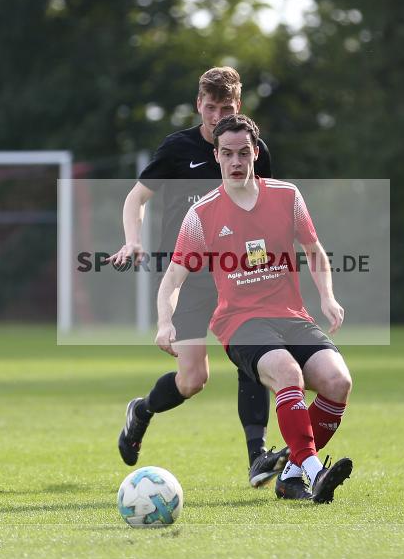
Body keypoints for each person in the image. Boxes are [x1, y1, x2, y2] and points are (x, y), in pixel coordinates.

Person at [156, 114, 353, 503]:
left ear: (255, 153)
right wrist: (165, 321)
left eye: (243, 152)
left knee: (338, 382)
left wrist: (327, 296)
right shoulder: (201, 216)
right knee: (287, 372)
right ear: (216, 156)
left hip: (292, 317)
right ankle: (315, 472)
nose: (236, 161)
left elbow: (314, 252)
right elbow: (173, 277)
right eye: (227, 153)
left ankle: (291, 475)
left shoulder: (288, 196)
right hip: (240, 323)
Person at [112, 67, 288, 487]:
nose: (216, 116)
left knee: (254, 357)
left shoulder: (253, 149)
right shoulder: (178, 148)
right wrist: (132, 240)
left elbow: (262, 210)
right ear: (199, 106)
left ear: (238, 107)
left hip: (239, 275)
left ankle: (257, 456)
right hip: (188, 275)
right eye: (210, 108)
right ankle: (143, 410)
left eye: (225, 107)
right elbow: (136, 197)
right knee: (193, 379)